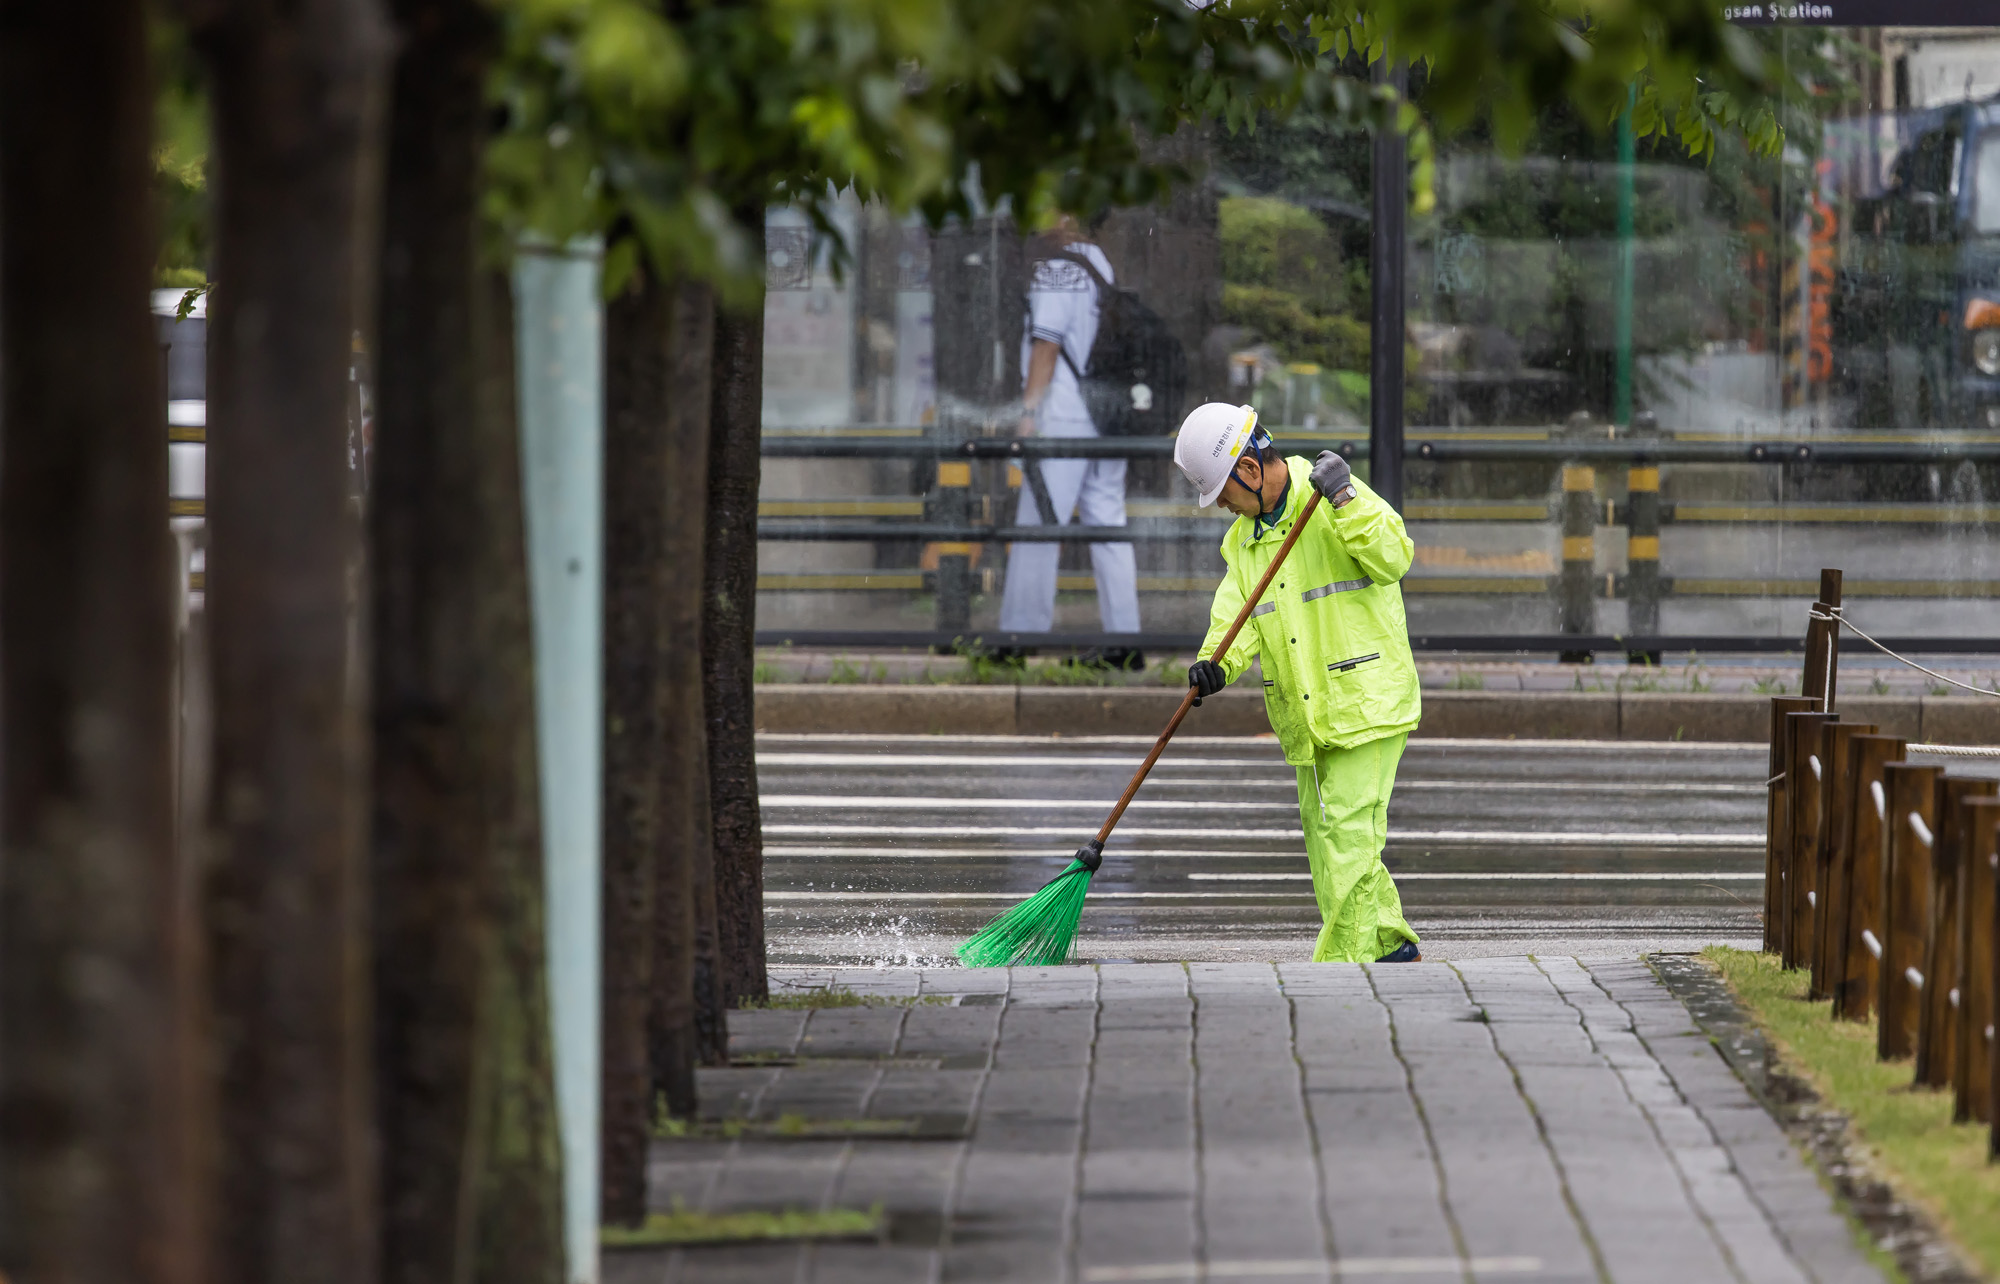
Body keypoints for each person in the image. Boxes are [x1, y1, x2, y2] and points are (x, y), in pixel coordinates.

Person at [1172, 402, 1423, 963]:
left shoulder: (1333, 495)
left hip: (1367, 699)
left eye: (1223, 494)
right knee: (1328, 838)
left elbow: (1394, 557)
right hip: (1308, 714)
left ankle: (1347, 966)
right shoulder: (1245, 541)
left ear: (1250, 471)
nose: (1222, 508)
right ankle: (1389, 945)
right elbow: (1236, 613)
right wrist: (1215, 663)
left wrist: (1345, 499)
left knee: (1349, 836)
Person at [996, 216, 1141, 668]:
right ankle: (1126, 641)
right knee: (1107, 525)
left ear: (1069, 217)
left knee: (1038, 524)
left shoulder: (1058, 269)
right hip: (1105, 415)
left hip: (1062, 417)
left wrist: (1027, 417)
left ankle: (1020, 634)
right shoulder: (1100, 264)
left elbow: (1046, 347)